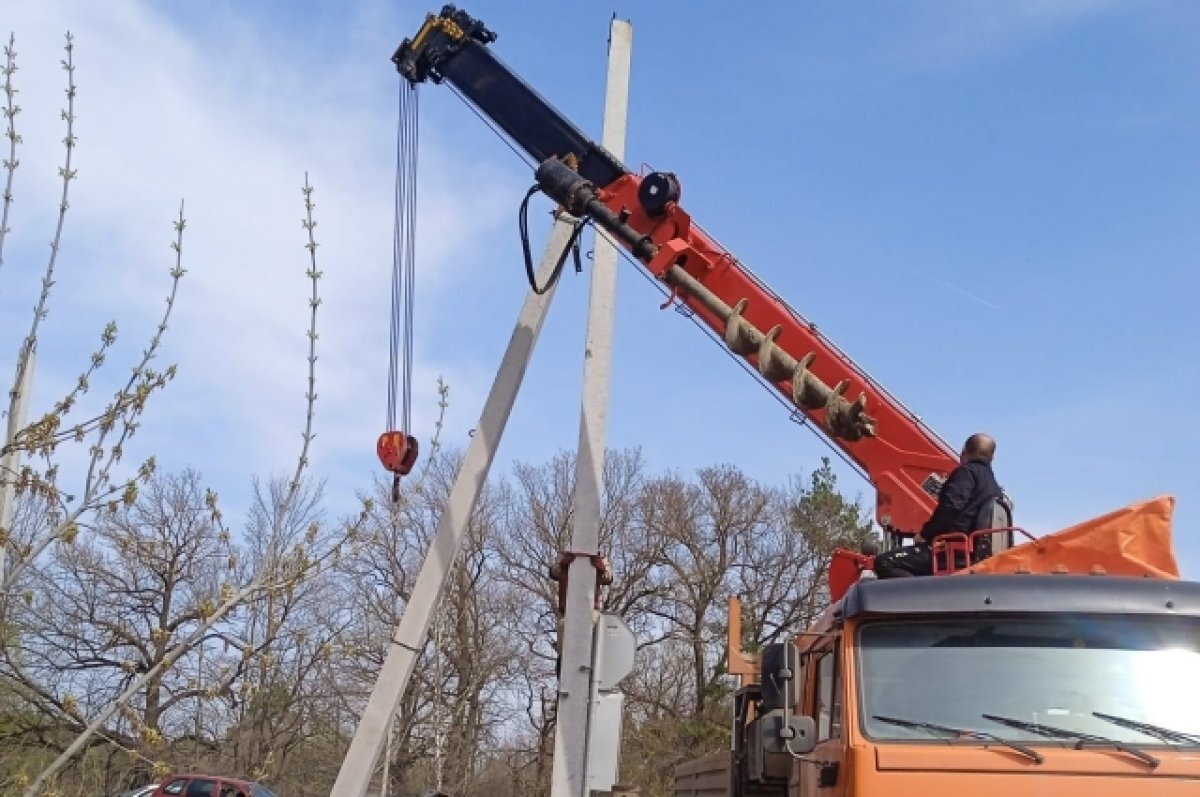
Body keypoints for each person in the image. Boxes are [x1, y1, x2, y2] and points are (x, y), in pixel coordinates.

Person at [874, 433, 1007, 578]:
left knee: (884, 562)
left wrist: (925, 534)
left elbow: (950, 507)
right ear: (992, 457)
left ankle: (923, 596)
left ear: (964, 452)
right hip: (972, 552)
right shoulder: (995, 488)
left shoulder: (965, 473)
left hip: (953, 553)